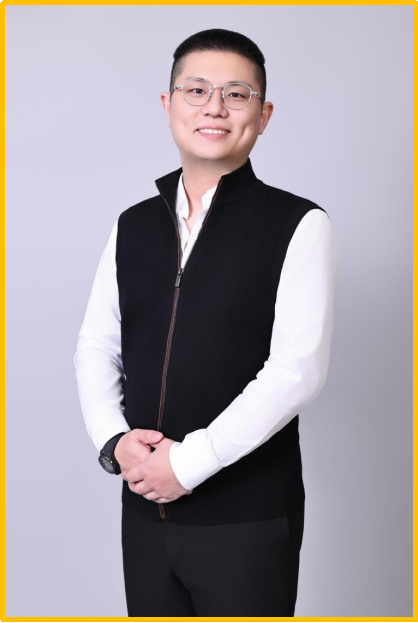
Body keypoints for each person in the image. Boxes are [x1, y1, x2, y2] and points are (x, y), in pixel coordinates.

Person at [74, 28, 338, 616]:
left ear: (263, 116)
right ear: (168, 104)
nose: (215, 107)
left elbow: (296, 371)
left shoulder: (298, 223)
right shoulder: (133, 225)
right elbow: (97, 344)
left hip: (246, 519)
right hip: (144, 512)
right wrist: (114, 442)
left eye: (236, 94)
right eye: (196, 90)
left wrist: (186, 465)